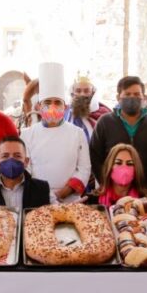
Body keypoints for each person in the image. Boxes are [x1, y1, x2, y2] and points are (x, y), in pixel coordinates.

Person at [21, 62, 91, 203]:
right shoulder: (27, 134)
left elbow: (84, 168)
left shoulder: (77, 133)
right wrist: (43, 194)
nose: (52, 106)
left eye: (57, 102)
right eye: (47, 102)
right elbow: (26, 169)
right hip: (37, 199)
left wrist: (63, 193)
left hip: (70, 199)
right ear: (39, 106)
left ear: (65, 107)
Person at [89, 76, 147, 191]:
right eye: (127, 94)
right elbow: (95, 156)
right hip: (113, 191)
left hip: (146, 192)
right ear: (118, 97)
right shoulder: (105, 122)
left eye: (136, 94)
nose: (132, 98)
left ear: (143, 97)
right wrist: (106, 184)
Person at [0, 136, 55, 209]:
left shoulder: (43, 189)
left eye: (17, 156)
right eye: (5, 156)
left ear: (26, 161)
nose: (11, 160)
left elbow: (58, 214)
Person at [65, 74, 112, 142]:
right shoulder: (64, 113)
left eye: (86, 91)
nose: (82, 94)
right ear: (72, 93)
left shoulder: (104, 114)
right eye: (78, 91)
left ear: (93, 93)